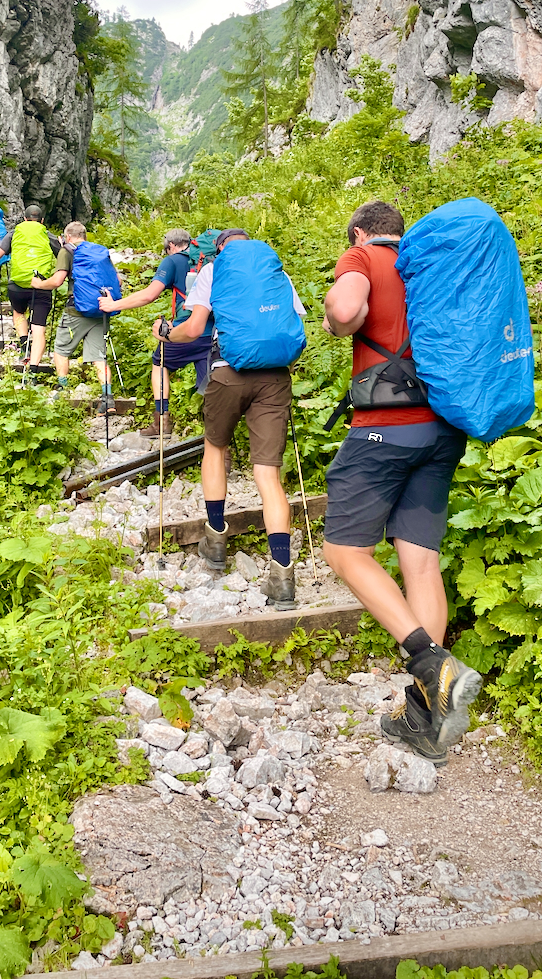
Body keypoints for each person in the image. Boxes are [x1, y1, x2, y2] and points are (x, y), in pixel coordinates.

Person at [320, 199, 481, 764]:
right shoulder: (430, 264)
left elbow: (346, 309)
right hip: (442, 431)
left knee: (344, 550)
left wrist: (334, 313)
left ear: (360, 232)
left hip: (385, 430)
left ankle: (433, 665)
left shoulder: (364, 255)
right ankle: (426, 717)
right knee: (421, 564)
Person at [154, 228, 306, 609]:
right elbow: (291, 324)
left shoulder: (213, 270)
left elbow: (193, 328)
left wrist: (166, 333)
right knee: (268, 474)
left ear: (219, 248)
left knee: (215, 448)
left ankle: (216, 539)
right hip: (275, 377)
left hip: (227, 372)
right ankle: (282, 576)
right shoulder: (276, 272)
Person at [98, 229, 213, 437]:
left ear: (171, 246)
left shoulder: (172, 261)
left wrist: (113, 304)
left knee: (160, 362)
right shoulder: (210, 260)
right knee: (210, 383)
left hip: (188, 329)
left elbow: (149, 295)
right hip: (215, 331)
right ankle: (216, 436)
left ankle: (162, 422)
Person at [32, 221, 117, 413]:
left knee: (61, 349)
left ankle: (63, 390)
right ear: (84, 236)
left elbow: (57, 281)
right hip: (101, 309)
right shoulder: (100, 251)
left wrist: (39, 284)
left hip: (76, 310)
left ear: (68, 237)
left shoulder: (68, 250)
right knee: (99, 357)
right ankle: (108, 399)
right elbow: (117, 280)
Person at [0, 204, 59, 367]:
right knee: (39, 328)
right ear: (42, 221)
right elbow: (65, 255)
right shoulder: (47, 235)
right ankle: (34, 367)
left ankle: (24, 345)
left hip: (17, 285)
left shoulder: (14, 233)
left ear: (25, 219)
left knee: (18, 312)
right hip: (41, 285)